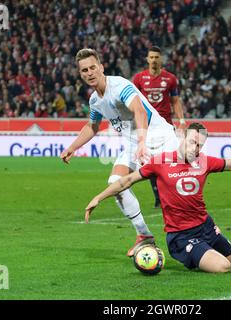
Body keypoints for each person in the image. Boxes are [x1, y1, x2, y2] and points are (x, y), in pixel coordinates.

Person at [85, 123, 231, 273]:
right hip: (181, 235)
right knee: (224, 267)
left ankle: (203, 251)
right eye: (192, 142)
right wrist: (98, 197)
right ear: (182, 137)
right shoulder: (161, 161)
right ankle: (195, 254)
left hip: (206, 227)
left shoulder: (205, 162)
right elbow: (126, 181)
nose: (195, 149)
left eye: (200, 145)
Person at [60, 48, 179, 257]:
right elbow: (92, 126)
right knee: (115, 181)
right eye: (84, 70)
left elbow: (139, 110)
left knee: (176, 191)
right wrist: (72, 148)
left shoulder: (120, 86)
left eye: (92, 68)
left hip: (160, 139)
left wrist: (142, 140)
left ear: (101, 67)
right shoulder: (95, 101)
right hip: (135, 145)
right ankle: (144, 235)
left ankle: (195, 234)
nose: (89, 73)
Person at [133, 46, 186, 209]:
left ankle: (173, 194)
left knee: (171, 161)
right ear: (147, 59)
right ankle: (158, 197)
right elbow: (133, 103)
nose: (154, 60)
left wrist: (182, 121)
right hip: (147, 128)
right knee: (151, 163)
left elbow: (175, 101)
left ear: (161, 59)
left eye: (157, 57)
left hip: (166, 126)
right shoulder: (139, 79)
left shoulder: (170, 79)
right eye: (152, 57)